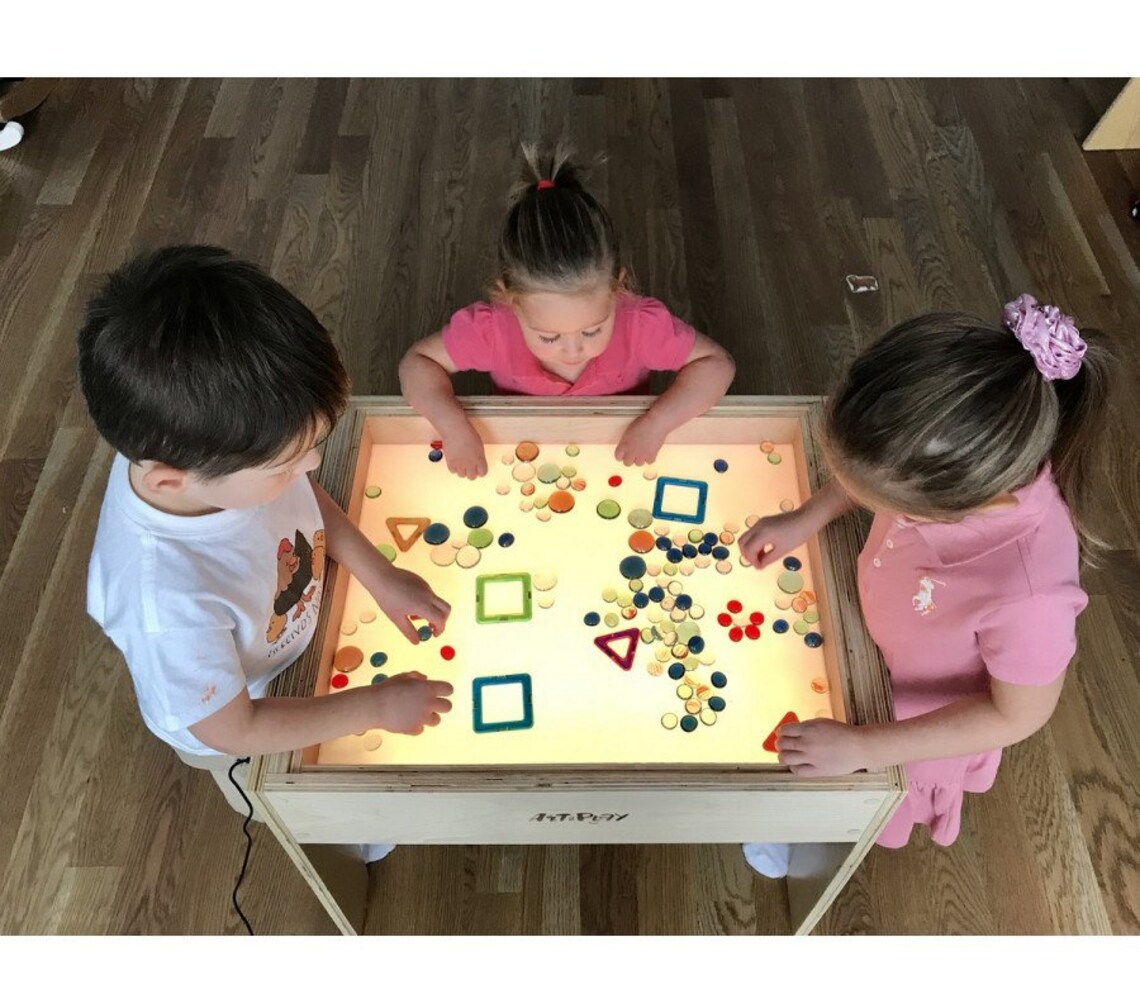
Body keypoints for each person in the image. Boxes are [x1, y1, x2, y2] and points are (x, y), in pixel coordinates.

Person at [79, 245, 454, 854]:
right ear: (169, 480)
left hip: (290, 636)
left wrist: (378, 573)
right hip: (245, 715)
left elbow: (301, 502)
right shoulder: (163, 604)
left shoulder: (222, 450)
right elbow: (233, 729)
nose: (311, 465)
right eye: (287, 462)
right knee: (306, 812)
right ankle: (349, 841)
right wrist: (374, 706)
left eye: (311, 446)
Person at [738, 295, 1110, 876]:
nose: (869, 500)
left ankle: (809, 850)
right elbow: (879, 468)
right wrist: (812, 513)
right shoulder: (952, 464)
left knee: (843, 803)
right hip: (874, 660)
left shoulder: (1031, 596)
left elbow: (1016, 717)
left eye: (893, 507)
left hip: (905, 729)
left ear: (949, 505)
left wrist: (864, 749)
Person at [399, 144, 736, 478]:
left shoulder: (638, 322)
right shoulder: (492, 327)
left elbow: (718, 366)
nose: (573, 352)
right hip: (524, 452)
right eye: (549, 337)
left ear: (618, 289)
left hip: (619, 453)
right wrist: (453, 427)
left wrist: (658, 421)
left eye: (592, 331)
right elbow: (416, 365)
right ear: (509, 300)